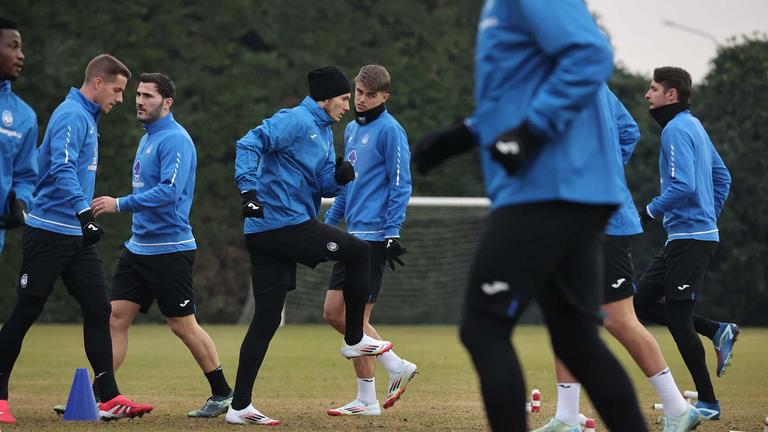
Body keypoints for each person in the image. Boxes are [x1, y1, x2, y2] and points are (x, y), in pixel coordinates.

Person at [413, 1, 648, 430]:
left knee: (483, 327)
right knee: (577, 341)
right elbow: (516, 91)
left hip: (547, 189)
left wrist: (532, 130)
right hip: (559, 191)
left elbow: (591, 54)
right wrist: (462, 136)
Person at [228, 66, 393, 425]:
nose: (349, 106)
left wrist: (337, 178)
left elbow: (320, 185)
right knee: (359, 251)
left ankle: (239, 406)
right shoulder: (297, 120)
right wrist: (248, 190)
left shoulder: (321, 131)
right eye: (345, 99)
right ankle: (353, 338)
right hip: (280, 225)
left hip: (269, 232)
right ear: (327, 98)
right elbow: (248, 142)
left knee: (267, 319)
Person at [533, 85, 700, 432]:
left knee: (620, 320)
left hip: (600, 223)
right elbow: (628, 130)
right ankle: (566, 417)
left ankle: (677, 407)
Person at [0, 54, 153, 424]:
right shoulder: (71, 114)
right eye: (117, 90)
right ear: (97, 83)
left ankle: (109, 396)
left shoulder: (87, 117)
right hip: (50, 232)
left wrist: (75, 215)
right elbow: (61, 166)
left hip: (75, 235)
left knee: (100, 309)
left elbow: (40, 162)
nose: (120, 99)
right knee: (27, 310)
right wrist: (83, 213)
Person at [84, 72, 232, 417]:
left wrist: (119, 204)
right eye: (138, 95)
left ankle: (223, 392)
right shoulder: (148, 137)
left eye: (148, 96)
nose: (139, 101)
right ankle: (101, 396)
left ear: (167, 103)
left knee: (182, 324)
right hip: (138, 248)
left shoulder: (175, 139)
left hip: (170, 249)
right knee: (115, 320)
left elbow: (169, 191)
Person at [634, 66, 734, 422]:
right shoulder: (693, 124)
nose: (648, 95)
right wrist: (708, 216)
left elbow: (683, 187)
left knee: (677, 321)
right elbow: (723, 176)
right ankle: (716, 329)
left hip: (689, 238)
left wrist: (646, 213)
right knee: (639, 305)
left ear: (671, 95)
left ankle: (707, 402)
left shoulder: (676, 129)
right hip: (687, 236)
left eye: (653, 88)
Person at [322, 64, 416, 416]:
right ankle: (396, 365)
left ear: (385, 97)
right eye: (358, 92)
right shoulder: (351, 130)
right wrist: (329, 225)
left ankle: (367, 399)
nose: (361, 100)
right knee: (334, 313)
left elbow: (400, 183)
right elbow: (346, 185)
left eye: (369, 95)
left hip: (375, 237)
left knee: (356, 320)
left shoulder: (391, 130)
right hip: (351, 235)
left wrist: (393, 231)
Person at [0, 16, 37, 253]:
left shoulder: (24, 116)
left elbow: (25, 177)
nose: (21, 55)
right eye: (13, 46)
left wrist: (21, 203)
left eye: (21, 48)